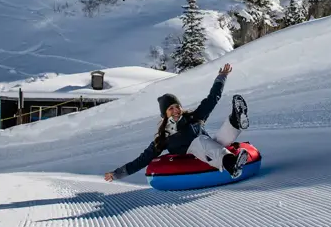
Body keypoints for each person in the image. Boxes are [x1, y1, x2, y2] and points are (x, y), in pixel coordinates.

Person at [105, 63, 250, 182]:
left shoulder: (194, 117)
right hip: (193, 157)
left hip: (210, 150)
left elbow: (212, 99)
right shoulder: (163, 137)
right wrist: (117, 173)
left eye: (177, 106)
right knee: (200, 141)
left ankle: (236, 120)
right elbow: (142, 160)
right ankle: (231, 165)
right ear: (165, 114)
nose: (175, 110)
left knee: (219, 139)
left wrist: (221, 77)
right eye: (170, 108)